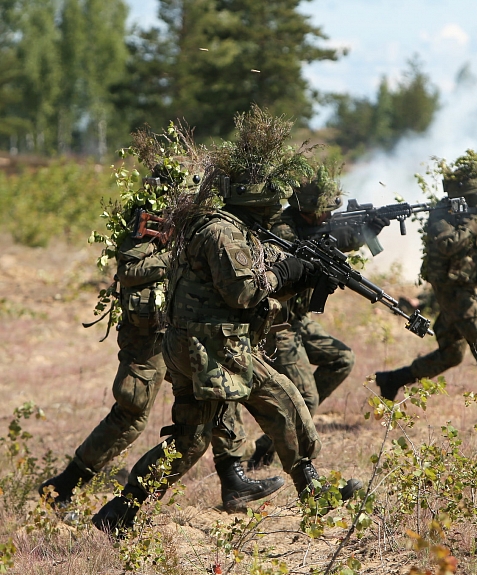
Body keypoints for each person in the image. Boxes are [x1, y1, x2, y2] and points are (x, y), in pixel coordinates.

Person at [91, 109, 361, 534]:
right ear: (257, 196)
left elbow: (250, 281)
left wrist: (304, 273)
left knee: (201, 434)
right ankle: (312, 489)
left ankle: (119, 513)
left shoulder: (222, 224)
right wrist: (287, 272)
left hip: (204, 344)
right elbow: (244, 291)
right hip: (212, 350)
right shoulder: (222, 231)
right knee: (274, 404)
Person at [39, 161, 282, 514]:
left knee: (219, 393)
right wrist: (176, 257)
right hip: (150, 332)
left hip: (185, 327)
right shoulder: (149, 220)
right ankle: (63, 486)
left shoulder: (203, 222)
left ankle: (233, 478)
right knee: (132, 410)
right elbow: (130, 270)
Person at [248, 163, 389, 470]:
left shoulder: (312, 223)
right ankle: (271, 449)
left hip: (298, 319)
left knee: (342, 359)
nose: (328, 215)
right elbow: (300, 258)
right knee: (305, 399)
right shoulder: (282, 230)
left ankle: (273, 437)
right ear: (305, 210)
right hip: (278, 324)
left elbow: (336, 238)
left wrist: (368, 231)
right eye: (323, 211)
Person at [374, 150, 477, 407]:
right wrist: (475, 222)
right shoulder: (441, 215)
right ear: (464, 194)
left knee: (451, 354)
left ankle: (393, 379)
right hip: (452, 292)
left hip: (466, 291)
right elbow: (448, 245)